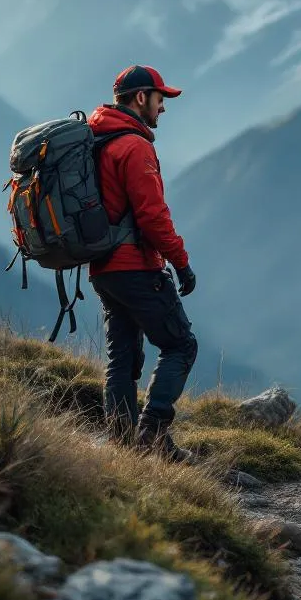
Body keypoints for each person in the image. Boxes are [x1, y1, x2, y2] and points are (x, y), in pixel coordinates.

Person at [87, 64, 198, 462]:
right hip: (136, 266)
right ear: (140, 98)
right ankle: (151, 430)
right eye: (159, 99)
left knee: (122, 359)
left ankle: (122, 448)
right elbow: (152, 215)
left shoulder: (99, 138)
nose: (162, 107)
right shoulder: (134, 146)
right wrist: (181, 262)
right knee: (181, 345)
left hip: (103, 268)